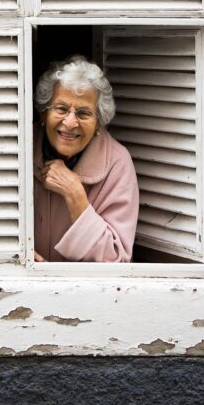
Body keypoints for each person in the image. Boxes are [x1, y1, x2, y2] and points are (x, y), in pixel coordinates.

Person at [33, 55, 139, 262]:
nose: (70, 123)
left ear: (99, 123)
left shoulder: (117, 163)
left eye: (83, 113)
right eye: (61, 109)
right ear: (44, 114)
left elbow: (116, 261)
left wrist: (75, 194)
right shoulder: (16, 147)